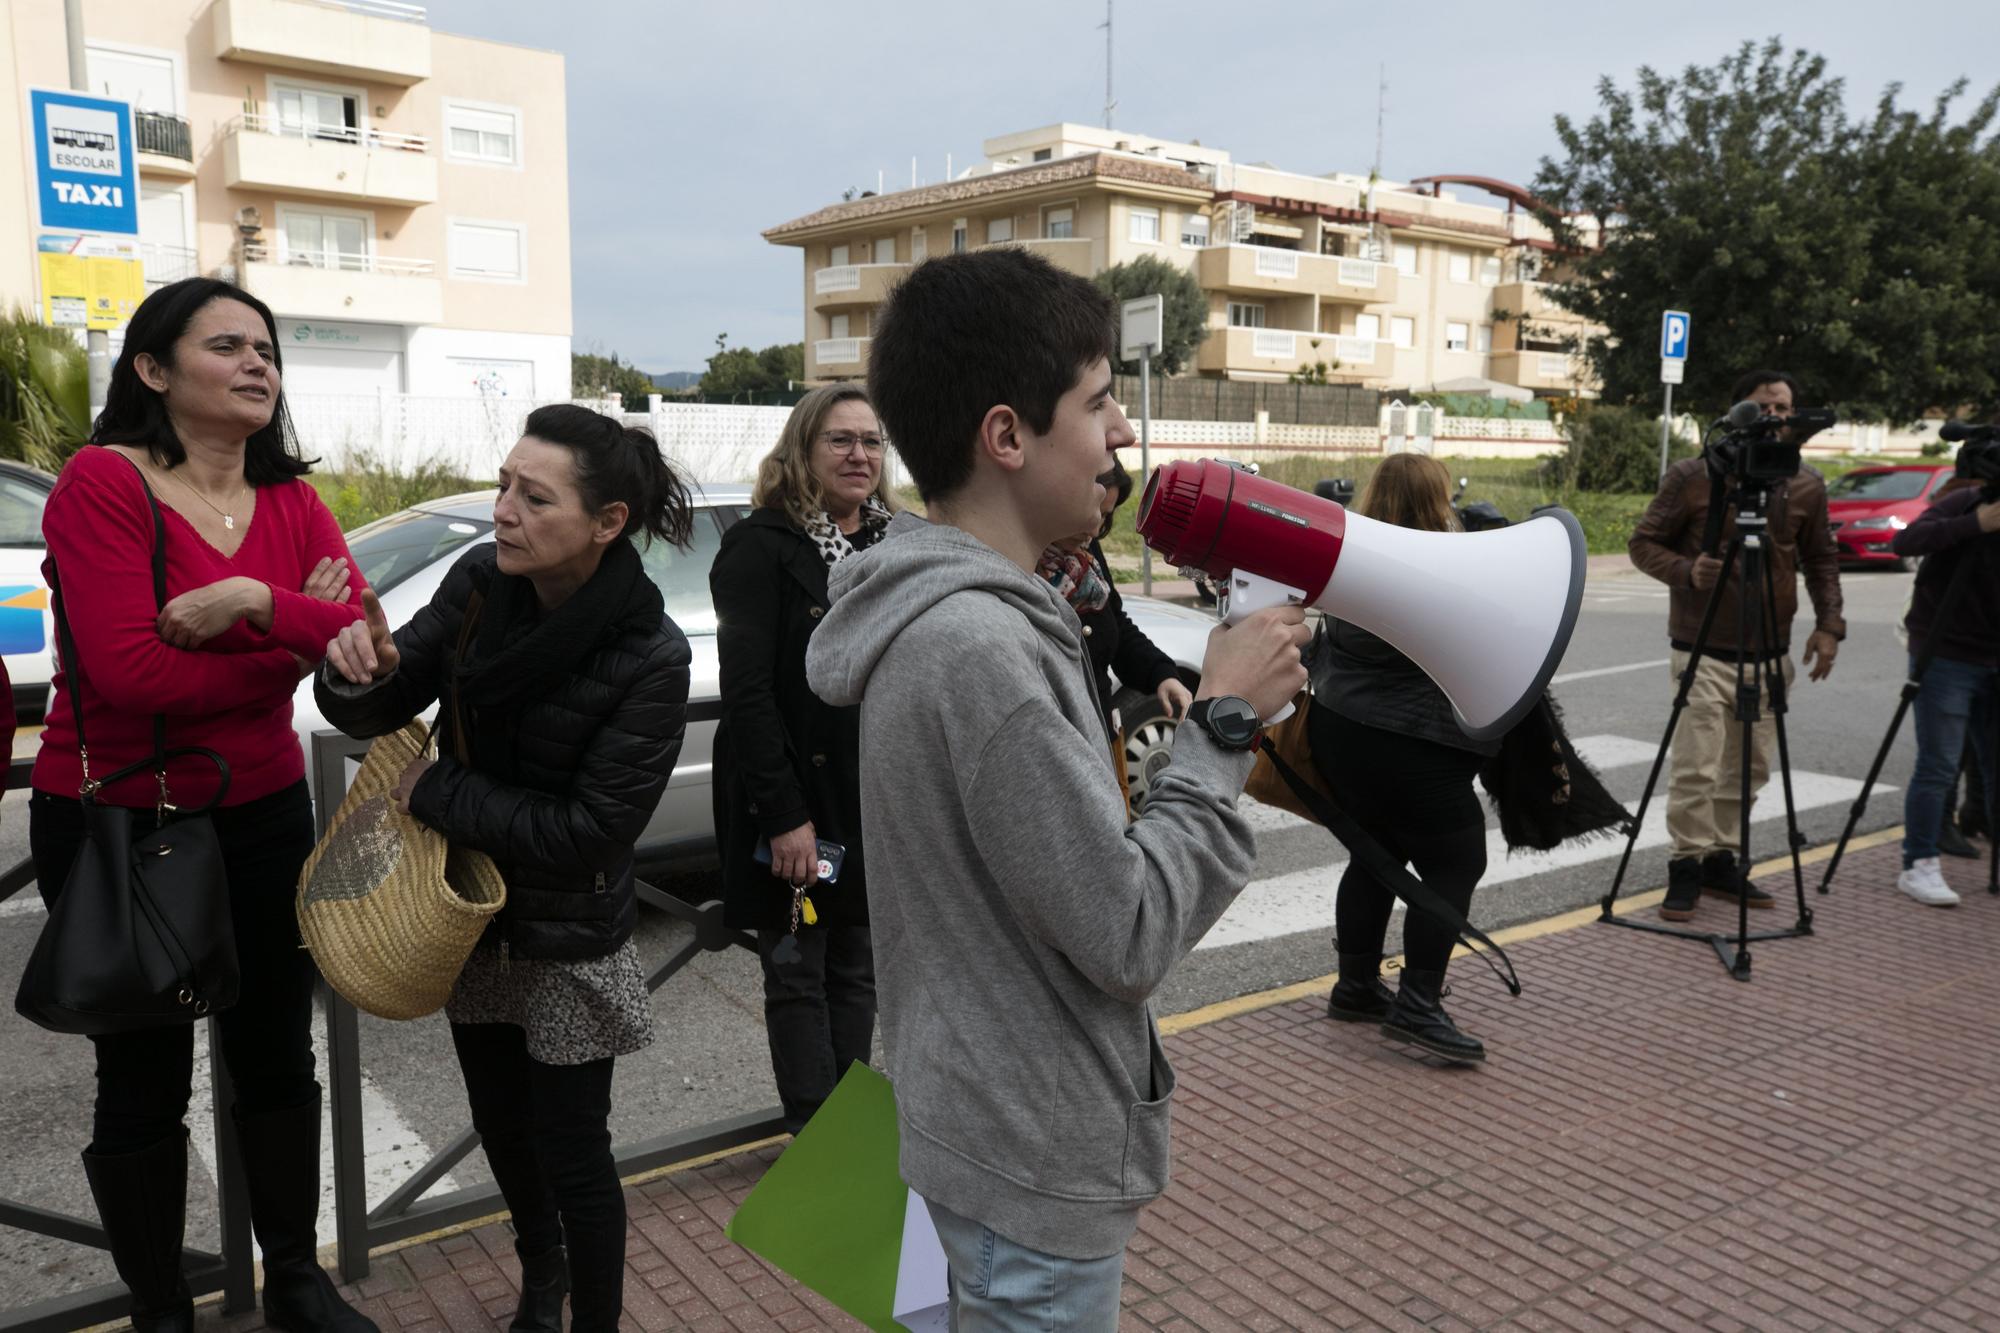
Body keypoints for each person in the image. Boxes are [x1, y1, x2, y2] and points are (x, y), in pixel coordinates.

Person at [804, 247, 1308, 1330]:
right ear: (1006, 436)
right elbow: (1124, 931)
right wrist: (1221, 730)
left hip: (967, 1134)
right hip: (1023, 1180)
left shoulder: (952, 614)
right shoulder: (983, 649)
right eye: (1098, 402)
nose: (1121, 433)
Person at [29, 277, 372, 1333]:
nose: (258, 362)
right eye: (227, 344)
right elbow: (131, 674)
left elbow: (366, 647)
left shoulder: (294, 500)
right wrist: (289, 646)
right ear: (153, 369)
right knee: (142, 1074)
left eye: (266, 347)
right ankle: (160, 1308)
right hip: (125, 816)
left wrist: (257, 602)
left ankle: (295, 1282)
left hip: (264, 808)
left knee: (277, 1051)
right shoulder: (100, 484)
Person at [316, 404, 695, 1333]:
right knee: (503, 1130)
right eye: (502, 485)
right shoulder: (483, 581)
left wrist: (438, 790)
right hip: (467, 914)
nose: (503, 511)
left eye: (534, 496)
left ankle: (593, 1319)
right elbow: (383, 702)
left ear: (607, 522)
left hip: (568, 936)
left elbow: (593, 832)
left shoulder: (651, 652)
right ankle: (542, 1279)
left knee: (574, 1149)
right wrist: (353, 662)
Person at [711, 384, 893, 1132]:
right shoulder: (761, 548)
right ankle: (818, 1137)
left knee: (858, 967)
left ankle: (846, 1132)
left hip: (868, 798)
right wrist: (788, 819)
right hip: (797, 808)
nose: (859, 455)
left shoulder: (895, 543)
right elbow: (747, 695)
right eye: (840, 440)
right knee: (798, 967)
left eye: (872, 441)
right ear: (802, 451)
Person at [1629, 369, 1845, 922]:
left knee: (1748, 767)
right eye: (1764, 406)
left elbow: (1820, 559)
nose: (1776, 416)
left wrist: (1829, 625)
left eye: (1784, 407)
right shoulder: (1693, 476)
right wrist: (1684, 569)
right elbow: (1642, 542)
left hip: (1770, 653)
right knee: (1697, 767)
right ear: (1739, 411)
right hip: (1702, 648)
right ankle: (1686, 864)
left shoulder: (1804, 484)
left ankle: (1721, 859)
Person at [1310, 453, 1497, 1064]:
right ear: (1435, 498)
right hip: (1405, 739)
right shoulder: (1431, 566)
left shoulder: (1351, 552)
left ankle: (1357, 986)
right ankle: (1418, 1004)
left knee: (1375, 856)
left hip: (1341, 728)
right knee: (1456, 858)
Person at [1037, 464, 1192, 805]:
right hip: (1059, 763)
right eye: (1092, 513)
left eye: (1105, 517)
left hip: (1103, 742)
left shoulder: (1083, 555)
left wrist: (1161, 674)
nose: (1095, 528)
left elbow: (1115, 622)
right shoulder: (1019, 568)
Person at [1887, 467, 2000, 906]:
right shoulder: (1967, 502)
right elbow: (1906, 542)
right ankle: (1919, 864)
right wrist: (1976, 524)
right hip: (1948, 655)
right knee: (1938, 765)